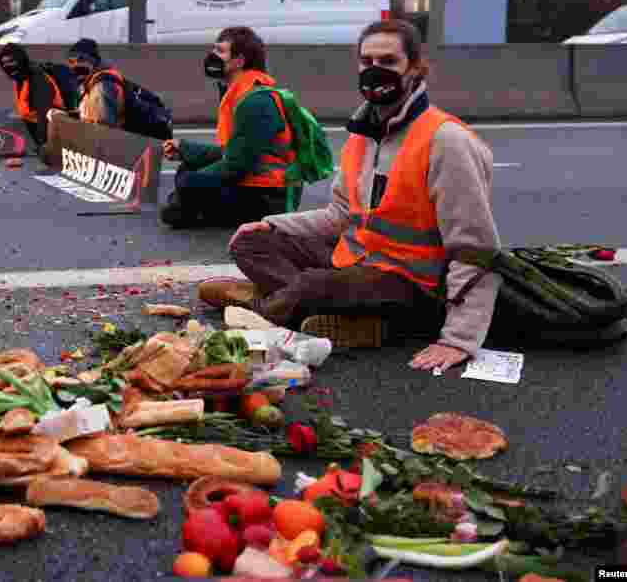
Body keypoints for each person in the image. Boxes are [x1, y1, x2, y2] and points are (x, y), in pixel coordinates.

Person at [199, 19, 502, 374]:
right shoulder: (363, 134)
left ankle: (263, 309)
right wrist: (269, 224)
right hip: (356, 260)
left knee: (314, 285)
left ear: (417, 69)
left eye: (388, 62)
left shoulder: (446, 141)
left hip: (413, 283)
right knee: (251, 243)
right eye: (367, 62)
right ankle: (338, 315)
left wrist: (458, 338)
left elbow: (476, 247)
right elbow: (340, 214)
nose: (375, 71)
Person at [159, 26, 299, 228]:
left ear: (239, 61)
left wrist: (191, 182)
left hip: (269, 199)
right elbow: (232, 152)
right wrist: (185, 149)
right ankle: (185, 208)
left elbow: (236, 165)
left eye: (220, 51)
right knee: (187, 167)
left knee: (189, 181)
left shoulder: (256, 102)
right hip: (256, 185)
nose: (212, 56)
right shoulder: (240, 93)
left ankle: (185, 210)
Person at [0, 43, 77, 148]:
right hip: (37, 131)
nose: (7, 66)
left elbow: (43, 115)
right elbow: (26, 110)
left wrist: (43, 146)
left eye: (11, 61)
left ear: (21, 59)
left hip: (54, 134)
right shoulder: (22, 78)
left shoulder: (37, 80)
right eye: (4, 63)